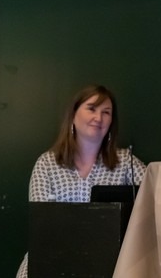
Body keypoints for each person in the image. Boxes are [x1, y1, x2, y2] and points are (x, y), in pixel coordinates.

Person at [15, 85, 146, 278]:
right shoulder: (47, 163)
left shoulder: (126, 162)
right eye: (91, 109)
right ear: (73, 114)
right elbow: (42, 226)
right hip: (51, 260)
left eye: (106, 112)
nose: (98, 118)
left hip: (107, 264)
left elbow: (155, 194)